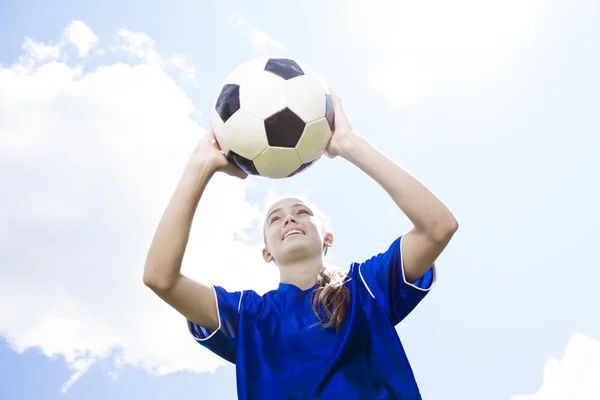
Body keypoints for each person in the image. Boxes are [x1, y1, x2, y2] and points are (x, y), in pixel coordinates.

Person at [143, 89, 458, 399]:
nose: (289, 220)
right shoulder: (247, 316)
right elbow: (160, 278)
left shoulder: (366, 287)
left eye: (302, 212)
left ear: (327, 238)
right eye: (275, 219)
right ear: (267, 252)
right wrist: (199, 166)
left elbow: (438, 227)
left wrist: (349, 144)